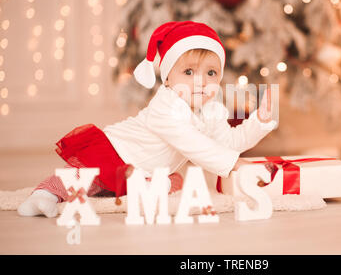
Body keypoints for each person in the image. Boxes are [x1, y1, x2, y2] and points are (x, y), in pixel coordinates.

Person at [17, 21, 277, 218]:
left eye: (211, 72)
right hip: (118, 152)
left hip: (146, 169)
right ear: (168, 78)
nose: (201, 81)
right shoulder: (165, 106)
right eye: (189, 72)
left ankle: (139, 186)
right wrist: (233, 165)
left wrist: (260, 122)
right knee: (84, 178)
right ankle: (43, 195)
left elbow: (228, 142)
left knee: (173, 182)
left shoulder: (212, 108)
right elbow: (193, 144)